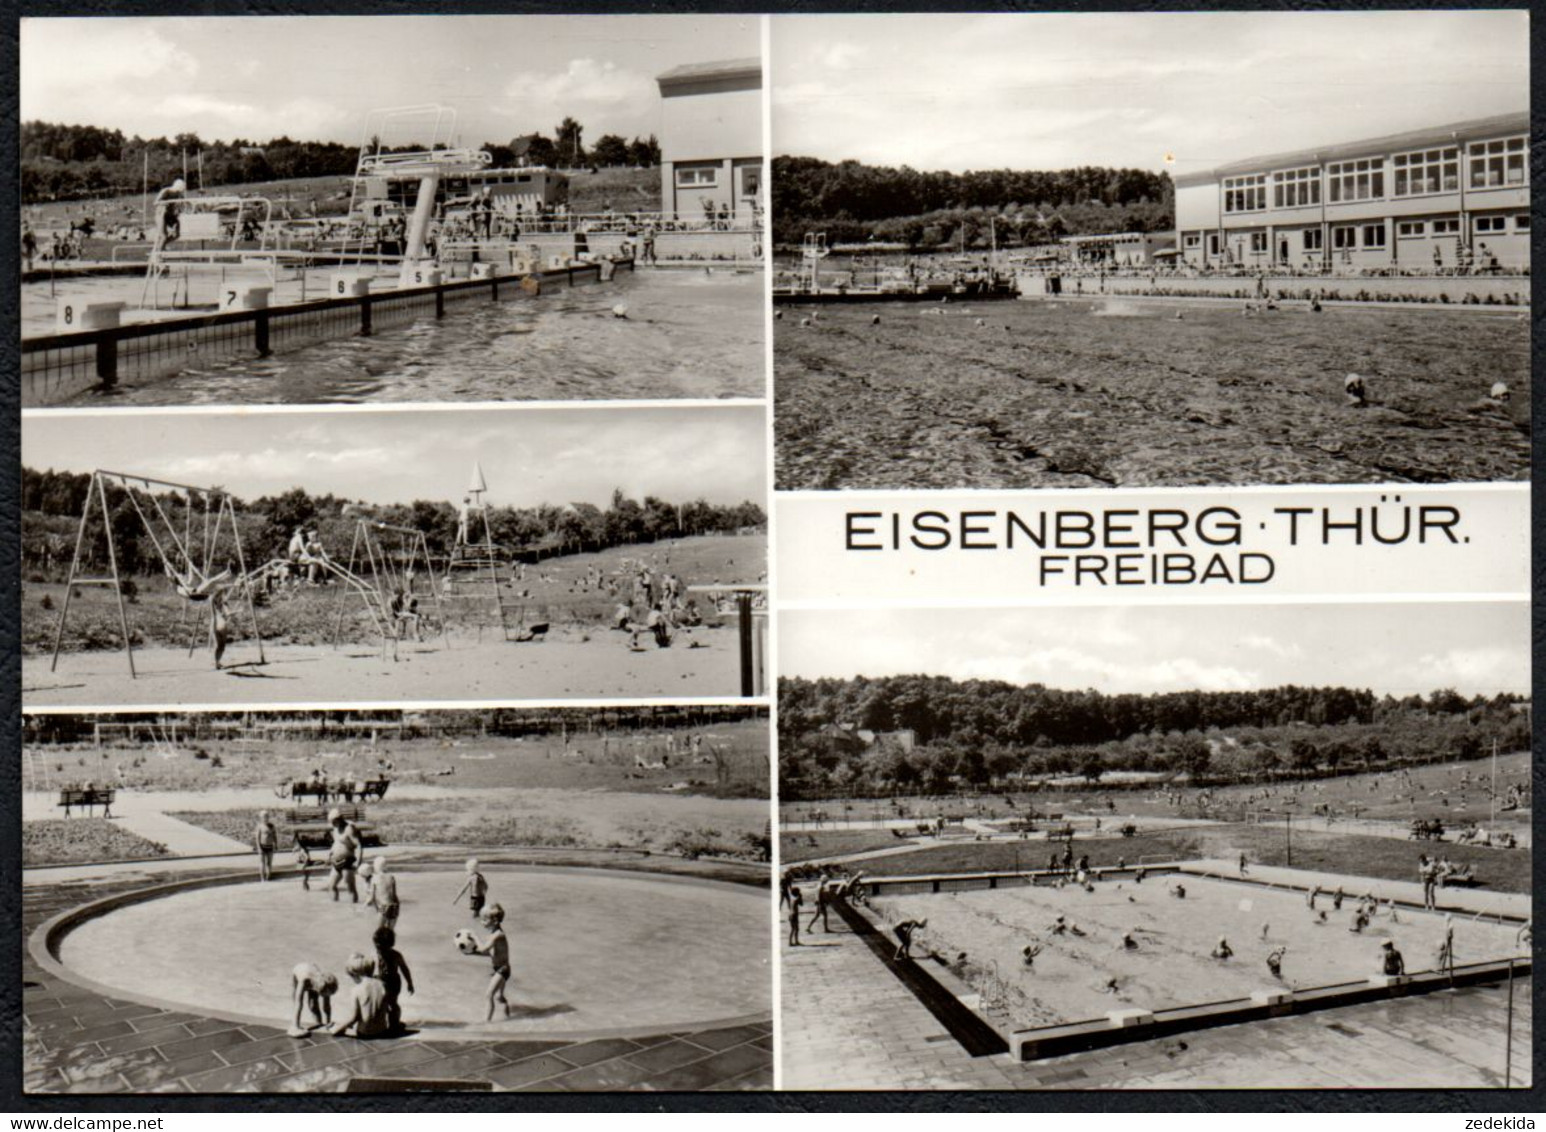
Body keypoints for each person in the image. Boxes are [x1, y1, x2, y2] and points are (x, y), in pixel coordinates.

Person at [468, 903, 512, 1021]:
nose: (482, 922)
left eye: (485, 920)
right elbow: (489, 953)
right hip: (499, 969)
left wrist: (475, 936)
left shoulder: (498, 935)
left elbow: (483, 948)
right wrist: (472, 953)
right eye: (481, 919)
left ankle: (487, 1024)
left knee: (489, 995)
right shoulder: (493, 934)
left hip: (503, 969)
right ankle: (508, 1019)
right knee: (498, 997)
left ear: (495, 921)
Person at [332, 953, 391, 1037]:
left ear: (355, 974)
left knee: (345, 1025)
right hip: (382, 1030)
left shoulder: (356, 990)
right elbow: (389, 1008)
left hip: (365, 1033)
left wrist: (336, 1029)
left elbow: (353, 1018)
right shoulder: (382, 985)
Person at [372, 925, 414, 1034]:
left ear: (389, 945)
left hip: (393, 983)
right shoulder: (379, 953)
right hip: (383, 982)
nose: (379, 949)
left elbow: (404, 969)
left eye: (381, 947)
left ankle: (395, 1023)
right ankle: (386, 1023)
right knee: (384, 1004)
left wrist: (409, 983)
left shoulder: (396, 955)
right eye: (377, 946)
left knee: (393, 1004)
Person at [288, 963, 338, 1037]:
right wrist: (296, 1027)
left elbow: (326, 1006)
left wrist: (328, 1022)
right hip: (299, 973)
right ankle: (294, 1025)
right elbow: (299, 1003)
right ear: (319, 990)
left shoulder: (327, 985)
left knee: (313, 1004)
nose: (325, 997)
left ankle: (319, 1022)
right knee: (296, 1000)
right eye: (324, 995)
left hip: (313, 973)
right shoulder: (304, 981)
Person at [327, 808, 362, 903]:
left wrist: (358, 861)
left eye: (334, 822)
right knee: (331, 886)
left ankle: (354, 910)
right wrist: (330, 853)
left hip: (347, 861)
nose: (332, 824)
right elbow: (336, 842)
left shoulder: (349, 829)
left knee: (350, 888)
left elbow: (358, 845)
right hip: (336, 861)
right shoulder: (335, 828)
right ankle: (336, 907)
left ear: (339, 819)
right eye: (331, 822)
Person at [368, 856, 400, 929]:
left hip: (384, 907)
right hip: (394, 906)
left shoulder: (374, 878)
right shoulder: (391, 877)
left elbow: (372, 898)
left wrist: (376, 909)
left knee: (379, 932)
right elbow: (394, 895)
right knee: (390, 933)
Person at [254, 811, 278, 882]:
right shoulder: (260, 826)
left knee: (269, 863)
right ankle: (262, 878)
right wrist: (259, 847)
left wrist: (276, 844)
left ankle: (268, 877)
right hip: (262, 846)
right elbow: (257, 838)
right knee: (262, 863)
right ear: (261, 818)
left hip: (270, 846)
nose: (266, 818)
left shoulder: (272, 826)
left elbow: (274, 836)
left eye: (267, 816)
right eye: (264, 817)